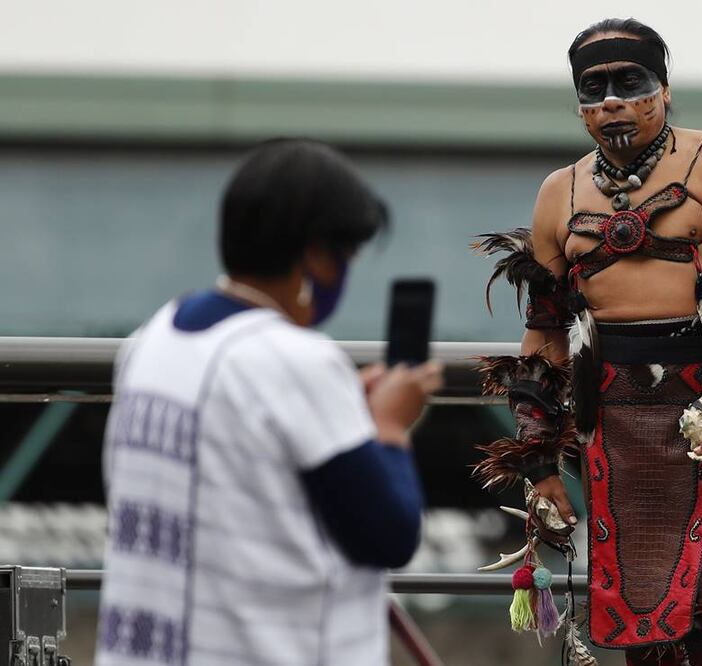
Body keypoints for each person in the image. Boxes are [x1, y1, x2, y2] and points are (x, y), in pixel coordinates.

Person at [474, 18, 702, 666]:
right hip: (610, 421)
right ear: (579, 103)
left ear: (663, 89)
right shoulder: (558, 192)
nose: (611, 100)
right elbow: (543, 336)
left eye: (628, 81)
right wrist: (538, 463)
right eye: (594, 87)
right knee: (637, 617)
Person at [95, 139, 442, 666]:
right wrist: (391, 425)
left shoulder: (151, 338)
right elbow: (389, 534)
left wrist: (348, 411)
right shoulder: (296, 360)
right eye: (345, 256)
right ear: (315, 255)